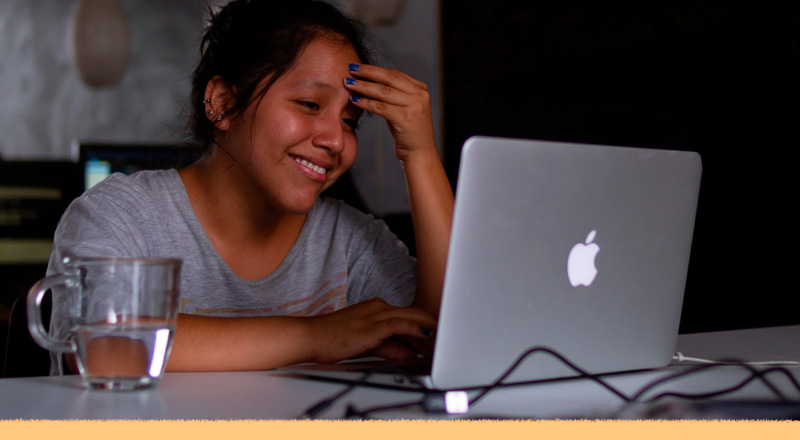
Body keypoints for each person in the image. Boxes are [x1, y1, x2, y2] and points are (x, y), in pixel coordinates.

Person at [47, 0, 453, 373]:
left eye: (350, 121)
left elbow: (447, 340)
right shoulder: (120, 215)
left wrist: (420, 154)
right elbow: (101, 345)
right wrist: (315, 335)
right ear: (222, 102)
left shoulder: (351, 242)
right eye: (310, 105)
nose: (337, 141)